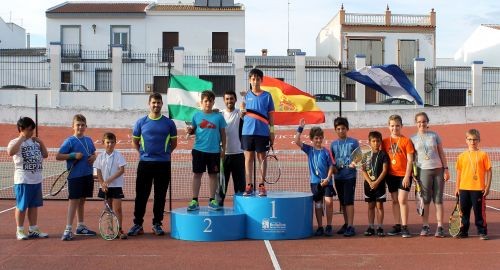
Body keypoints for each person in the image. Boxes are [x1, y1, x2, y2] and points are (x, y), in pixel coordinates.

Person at [128, 93, 177, 236]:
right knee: (141, 195)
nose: (156, 105)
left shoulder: (169, 123)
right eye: (153, 102)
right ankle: (138, 224)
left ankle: (157, 224)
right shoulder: (140, 122)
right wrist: (144, 154)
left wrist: (165, 154)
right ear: (149, 104)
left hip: (163, 164)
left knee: (160, 195)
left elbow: (173, 144)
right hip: (145, 164)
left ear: (162, 104)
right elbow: (135, 142)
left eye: (158, 102)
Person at [56, 114, 97, 241]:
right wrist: (73, 155)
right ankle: (68, 229)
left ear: (86, 126)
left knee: (82, 201)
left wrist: (94, 157)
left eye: (82, 125)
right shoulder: (69, 141)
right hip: (75, 176)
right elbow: (58, 156)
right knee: (74, 201)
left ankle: (80, 226)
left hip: (87, 174)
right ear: (73, 126)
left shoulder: (89, 140)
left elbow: (94, 153)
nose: (80, 127)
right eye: (77, 125)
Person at [7, 117, 49, 240]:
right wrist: (21, 138)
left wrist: (41, 142)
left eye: (33, 129)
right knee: (22, 206)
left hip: (36, 179)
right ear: (22, 129)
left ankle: (33, 228)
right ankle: (19, 230)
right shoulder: (15, 142)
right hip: (23, 180)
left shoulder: (35, 142)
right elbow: (10, 152)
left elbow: (45, 155)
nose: (32, 132)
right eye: (30, 130)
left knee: (34, 205)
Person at [410, 112, 450, 238]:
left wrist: (446, 169)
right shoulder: (413, 139)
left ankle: (440, 227)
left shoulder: (434, 135)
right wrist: (413, 173)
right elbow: (412, 158)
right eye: (419, 122)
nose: (422, 124)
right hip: (423, 171)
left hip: (438, 170)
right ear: (416, 123)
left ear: (427, 122)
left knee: (438, 200)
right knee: (425, 200)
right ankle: (425, 226)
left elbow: (441, 153)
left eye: (424, 121)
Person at [186, 90, 227, 211]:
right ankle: (194, 200)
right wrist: (189, 130)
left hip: (214, 151)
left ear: (213, 102)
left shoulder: (218, 117)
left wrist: (223, 149)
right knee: (197, 175)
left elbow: (223, 134)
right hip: (199, 150)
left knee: (213, 176)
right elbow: (193, 130)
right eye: (205, 101)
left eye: (210, 101)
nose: (208, 103)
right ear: (201, 102)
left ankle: (212, 200)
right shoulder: (196, 115)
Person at [294, 119, 335, 236]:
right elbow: (296, 140)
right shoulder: (309, 150)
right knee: (318, 204)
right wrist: (300, 128)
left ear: (323, 138)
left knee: (329, 202)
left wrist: (327, 179)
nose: (318, 140)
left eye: (320, 138)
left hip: (327, 182)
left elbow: (331, 166)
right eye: (316, 138)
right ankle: (320, 227)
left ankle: (329, 226)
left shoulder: (326, 151)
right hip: (315, 182)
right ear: (312, 139)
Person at [241, 68, 275, 196]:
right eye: (253, 79)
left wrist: (272, 131)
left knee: (262, 158)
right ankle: (249, 185)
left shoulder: (267, 96)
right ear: (250, 80)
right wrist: (241, 113)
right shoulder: (246, 96)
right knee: (248, 158)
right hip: (247, 132)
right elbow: (242, 115)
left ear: (262, 80)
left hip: (262, 132)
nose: (255, 82)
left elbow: (271, 116)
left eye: (258, 79)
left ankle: (261, 185)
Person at [455, 129, 491, 240]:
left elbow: (489, 171)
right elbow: (459, 173)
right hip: (464, 188)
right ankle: (463, 231)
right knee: (464, 212)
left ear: (479, 140)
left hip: (478, 189)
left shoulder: (483, 155)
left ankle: (482, 231)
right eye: (470, 139)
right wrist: (457, 187)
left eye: (475, 139)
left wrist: (487, 186)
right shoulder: (461, 156)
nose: (472, 141)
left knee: (479, 212)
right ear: (466, 140)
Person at [382, 114, 415, 238]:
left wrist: (407, 176)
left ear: (401, 126)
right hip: (391, 176)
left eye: (397, 126)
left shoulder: (406, 141)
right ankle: (397, 225)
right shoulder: (385, 141)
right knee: (395, 200)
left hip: (403, 175)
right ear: (388, 126)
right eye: (392, 126)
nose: (394, 128)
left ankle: (405, 226)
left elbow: (410, 160)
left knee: (402, 200)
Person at [95, 132, 127, 239]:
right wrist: (102, 183)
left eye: (112, 142)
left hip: (116, 186)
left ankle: (119, 229)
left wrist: (108, 180)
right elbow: (98, 171)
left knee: (117, 209)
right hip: (105, 188)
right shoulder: (100, 156)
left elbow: (121, 170)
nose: (110, 144)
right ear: (103, 143)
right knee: (108, 209)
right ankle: (111, 229)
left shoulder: (119, 155)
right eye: (108, 142)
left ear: (115, 143)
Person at [330, 117, 359, 237]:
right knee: (342, 202)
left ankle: (351, 226)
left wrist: (354, 163)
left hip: (349, 177)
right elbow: (331, 161)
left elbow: (358, 157)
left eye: (343, 128)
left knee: (349, 201)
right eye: (338, 129)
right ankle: (346, 223)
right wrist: (334, 169)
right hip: (338, 177)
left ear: (347, 129)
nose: (341, 130)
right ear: (335, 130)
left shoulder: (353, 142)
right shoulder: (333, 144)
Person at [217, 90, 246, 207]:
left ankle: (240, 209)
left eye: (231, 98)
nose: (229, 101)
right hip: (223, 156)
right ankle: (219, 207)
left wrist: (245, 97)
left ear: (235, 100)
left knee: (240, 187)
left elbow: (246, 110)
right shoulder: (220, 115)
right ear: (224, 100)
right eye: (227, 99)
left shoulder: (240, 113)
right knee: (221, 186)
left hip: (238, 155)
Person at [360, 131, 389, 237]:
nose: (376, 143)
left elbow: (385, 170)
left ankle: (380, 227)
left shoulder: (383, 155)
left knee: (379, 206)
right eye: (373, 141)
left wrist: (376, 182)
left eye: (378, 141)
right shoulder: (366, 155)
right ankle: (371, 226)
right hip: (368, 186)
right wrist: (370, 182)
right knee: (370, 206)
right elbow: (363, 170)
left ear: (380, 142)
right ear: (369, 142)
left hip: (380, 185)